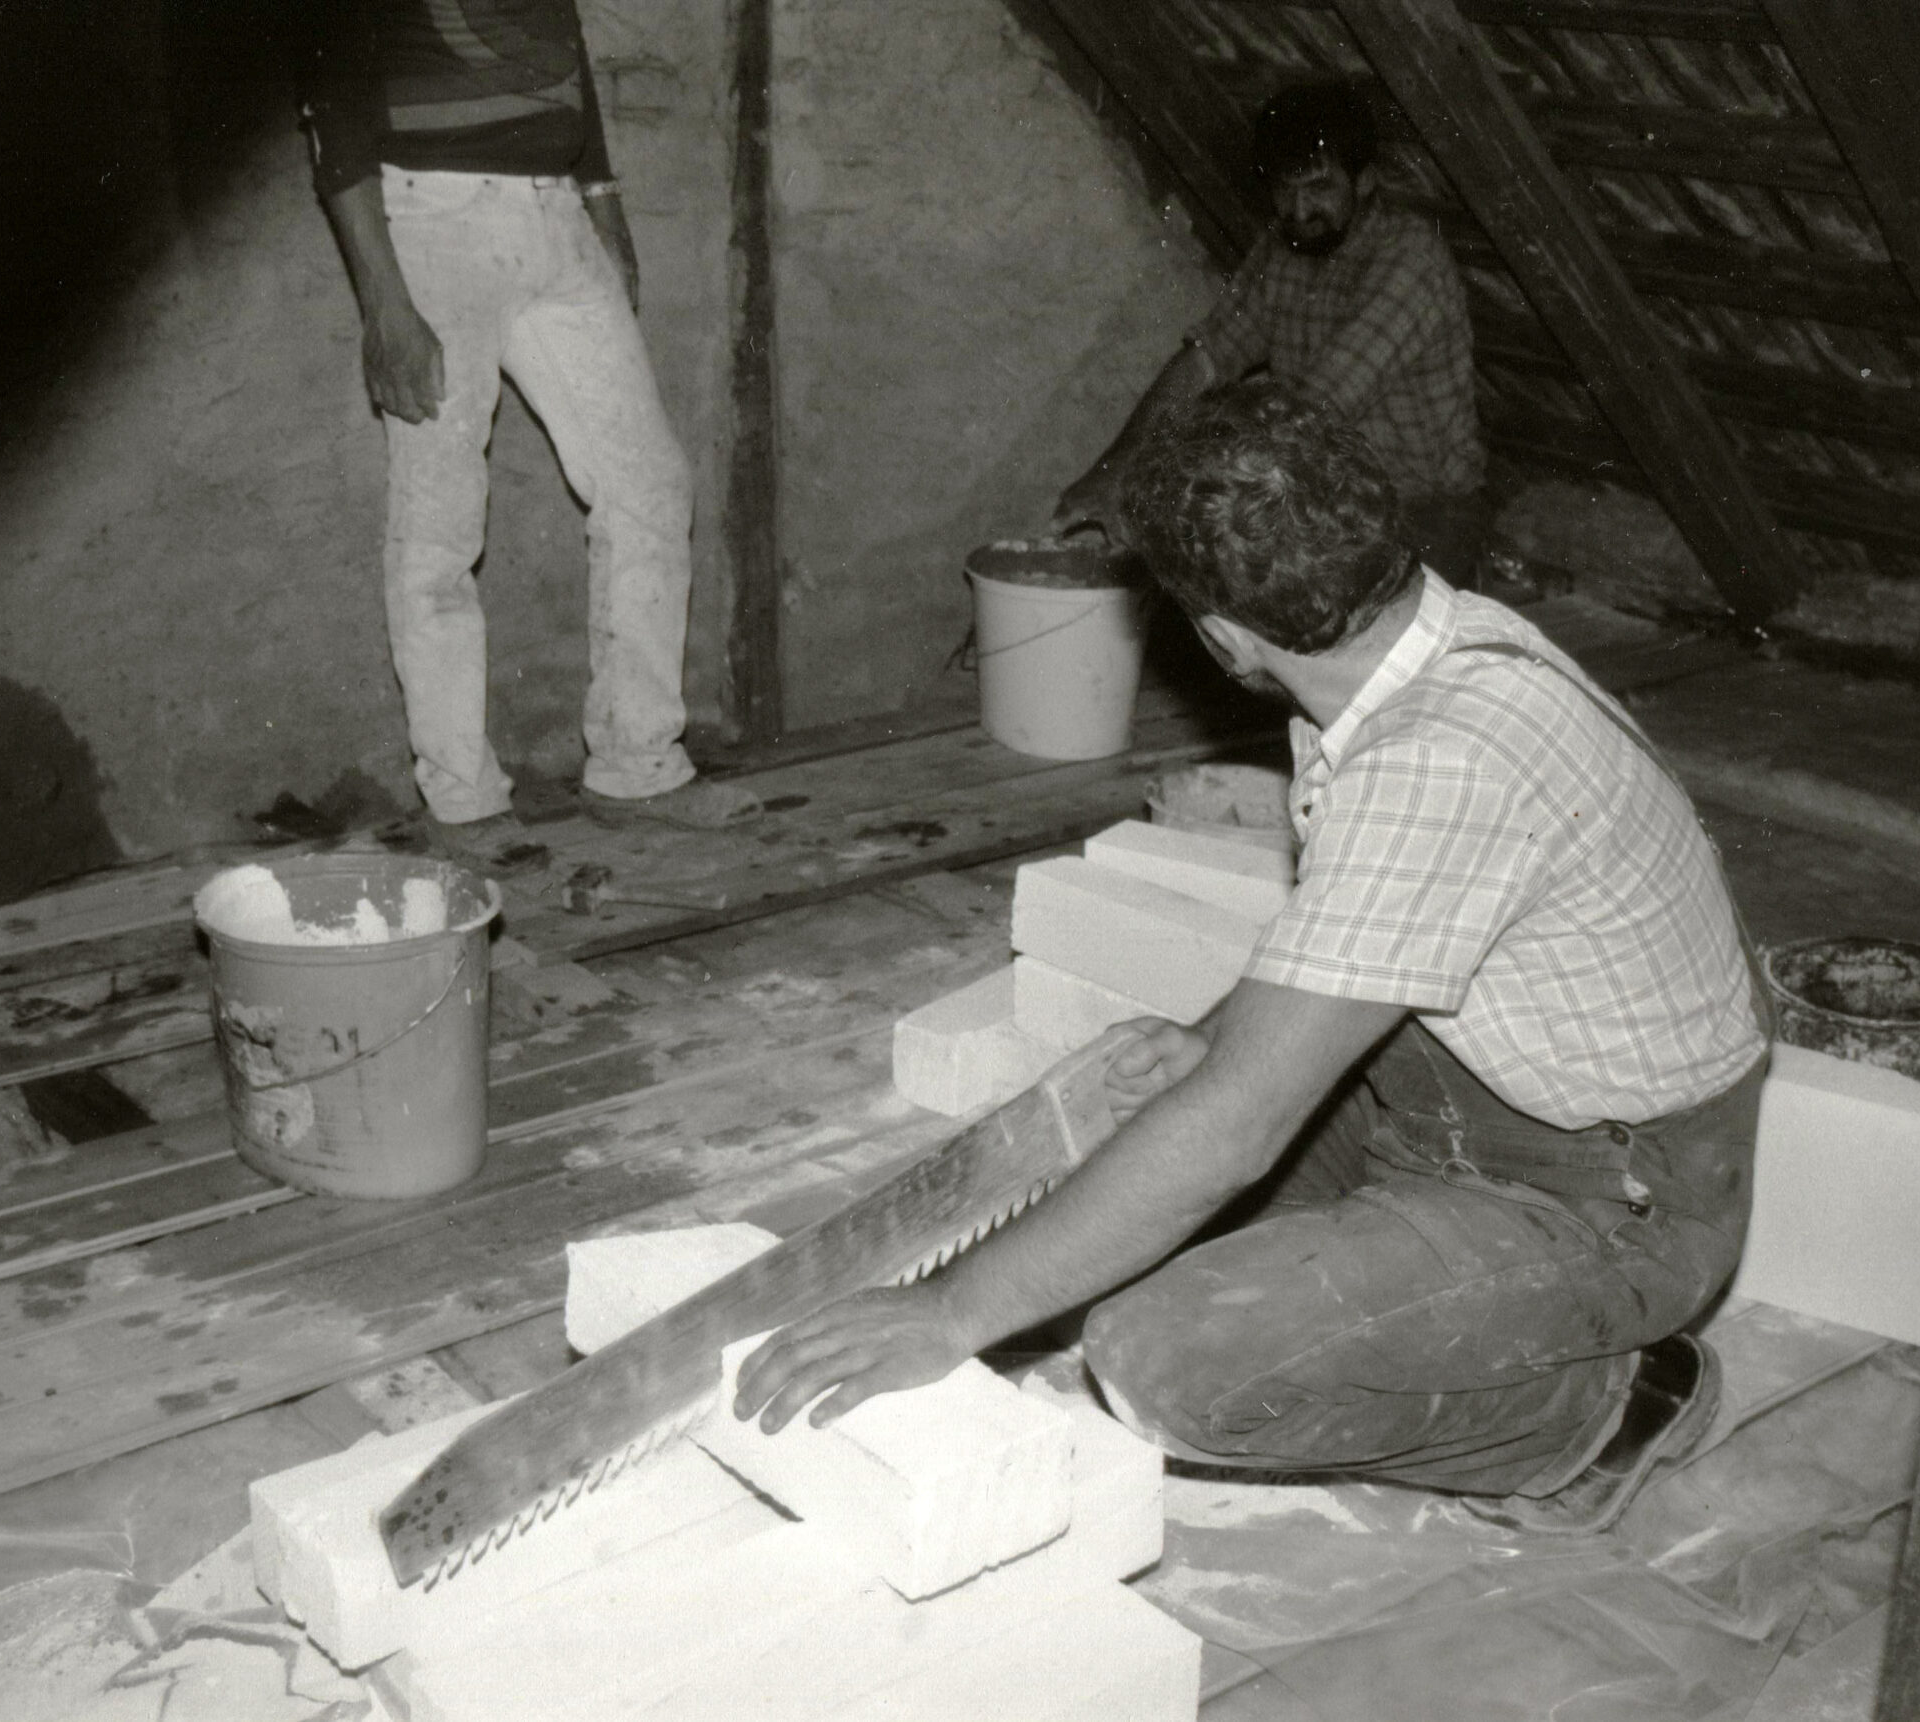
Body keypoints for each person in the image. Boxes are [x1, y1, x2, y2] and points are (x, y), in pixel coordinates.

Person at [736, 381, 1768, 1533]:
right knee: (1127, 1172)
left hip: (1615, 1197)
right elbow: (1336, 948)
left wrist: (947, 1319)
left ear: (1223, 636)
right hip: (1462, 1098)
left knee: (1164, 1358)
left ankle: (1606, 1410)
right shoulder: (1399, 654)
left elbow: (1236, 1133)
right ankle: (1402, 1257)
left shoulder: (1439, 760)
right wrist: (1211, 1042)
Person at [297, 0, 755, 831]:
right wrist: (385, 306)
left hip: (557, 218)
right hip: (431, 219)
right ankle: (463, 801)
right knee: (439, 523)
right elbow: (332, 114)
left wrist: (606, 210)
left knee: (648, 485)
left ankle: (639, 762)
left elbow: (564, 65)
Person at [1053, 81, 1488, 587]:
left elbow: (1312, 406)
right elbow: (1205, 360)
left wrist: (1160, 484)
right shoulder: (1283, 248)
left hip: (1422, 514)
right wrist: (1113, 470)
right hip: (1322, 498)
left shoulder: (1410, 260)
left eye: (1320, 188)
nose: (1299, 211)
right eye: (1285, 189)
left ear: (1365, 180)